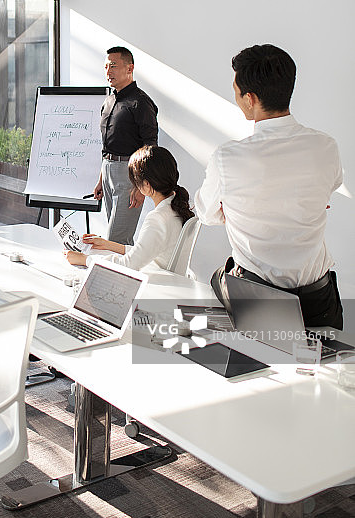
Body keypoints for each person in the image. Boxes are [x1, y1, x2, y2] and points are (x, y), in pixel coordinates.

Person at [195, 43, 343, 330]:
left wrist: (236, 209)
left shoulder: (227, 158)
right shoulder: (325, 146)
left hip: (259, 299)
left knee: (219, 281)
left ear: (250, 98)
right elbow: (327, 193)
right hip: (320, 299)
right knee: (326, 374)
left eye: (237, 93)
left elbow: (206, 213)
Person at [67, 145, 194, 271]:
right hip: (167, 279)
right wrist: (108, 245)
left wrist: (86, 260)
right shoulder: (176, 207)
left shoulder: (158, 219)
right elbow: (144, 251)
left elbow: (128, 265)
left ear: (146, 185)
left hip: (155, 281)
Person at [94, 46, 158, 246]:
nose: (108, 71)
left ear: (129, 68)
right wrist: (101, 178)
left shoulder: (141, 102)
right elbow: (108, 145)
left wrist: (141, 186)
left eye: (113, 66)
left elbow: (151, 147)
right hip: (108, 171)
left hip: (130, 174)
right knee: (118, 240)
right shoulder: (109, 100)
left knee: (116, 239)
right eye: (105, 66)